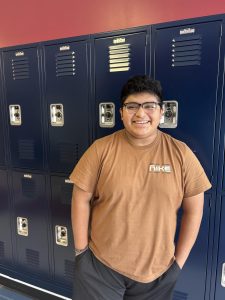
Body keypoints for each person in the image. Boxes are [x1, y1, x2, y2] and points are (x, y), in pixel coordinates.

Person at [70, 75, 211, 300]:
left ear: (162, 112)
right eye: (132, 106)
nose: (140, 113)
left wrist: (178, 265)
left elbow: (195, 210)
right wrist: (81, 253)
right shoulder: (101, 150)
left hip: (157, 275)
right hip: (100, 268)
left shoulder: (181, 154)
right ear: (121, 113)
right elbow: (80, 198)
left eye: (149, 106)